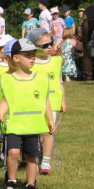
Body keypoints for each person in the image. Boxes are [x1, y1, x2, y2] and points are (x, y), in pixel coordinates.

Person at [0, 39, 56, 189]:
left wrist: (50, 120)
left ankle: (31, 184)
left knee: (31, 156)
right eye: (27, 55)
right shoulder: (8, 79)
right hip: (15, 124)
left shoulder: (40, 78)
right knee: (13, 152)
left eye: (33, 55)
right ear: (16, 58)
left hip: (33, 125)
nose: (32, 58)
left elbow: (45, 101)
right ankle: (12, 180)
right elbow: (6, 100)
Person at [29, 29, 66, 175]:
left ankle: (46, 160)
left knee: (48, 131)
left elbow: (60, 81)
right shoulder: (30, 64)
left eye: (50, 44)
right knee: (34, 131)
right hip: (35, 102)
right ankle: (34, 155)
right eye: (44, 45)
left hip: (53, 102)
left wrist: (63, 101)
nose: (49, 47)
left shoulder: (56, 61)